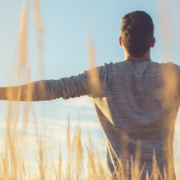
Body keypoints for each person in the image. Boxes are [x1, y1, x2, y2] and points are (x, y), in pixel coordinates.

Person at [0, 11, 178, 179]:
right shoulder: (172, 75)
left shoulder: (104, 76)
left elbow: (54, 88)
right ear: (153, 42)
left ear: (120, 41)